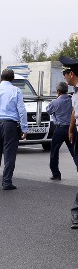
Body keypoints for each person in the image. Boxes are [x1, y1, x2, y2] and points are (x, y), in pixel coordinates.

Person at [46, 80, 78, 180]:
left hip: (60, 129)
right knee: (75, 152)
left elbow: (48, 110)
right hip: (71, 128)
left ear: (58, 91)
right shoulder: (72, 99)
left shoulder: (55, 102)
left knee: (54, 152)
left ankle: (56, 174)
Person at [61, 57, 78, 228]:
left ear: (71, 74)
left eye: (65, 74)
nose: (64, 77)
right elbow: (75, 111)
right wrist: (71, 129)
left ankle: (76, 212)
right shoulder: (75, 91)